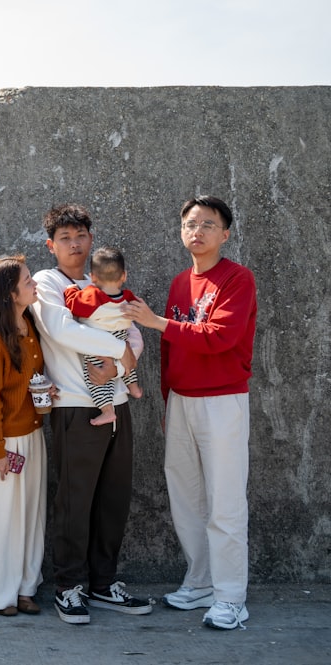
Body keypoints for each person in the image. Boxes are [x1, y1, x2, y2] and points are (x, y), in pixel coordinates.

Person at [122, 195, 257, 630]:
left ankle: (231, 597)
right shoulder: (181, 282)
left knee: (226, 502)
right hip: (181, 401)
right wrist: (167, 403)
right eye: (190, 225)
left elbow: (219, 336)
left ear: (225, 233)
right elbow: (170, 349)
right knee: (186, 497)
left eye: (208, 225)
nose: (197, 232)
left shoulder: (238, 279)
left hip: (223, 401)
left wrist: (157, 321)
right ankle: (200, 582)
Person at [31, 204, 151, 624]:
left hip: (116, 401)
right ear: (51, 245)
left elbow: (135, 331)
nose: (75, 244)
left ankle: (103, 584)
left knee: (113, 500)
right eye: (65, 238)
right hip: (76, 407)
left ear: (91, 239)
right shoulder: (47, 282)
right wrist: (119, 349)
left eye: (81, 235)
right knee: (75, 501)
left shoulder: (102, 279)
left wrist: (120, 366)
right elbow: (61, 330)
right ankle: (69, 587)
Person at [0, 255, 52, 616]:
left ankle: (24, 589)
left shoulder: (29, 328)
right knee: (0, 520)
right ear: (10, 294)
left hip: (32, 435)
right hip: (0, 441)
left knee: (31, 517)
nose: (34, 284)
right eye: (28, 279)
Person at [63, 247, 143, 427]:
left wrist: (71, 290)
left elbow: (75, 306)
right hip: (121, 336)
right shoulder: (127, 296)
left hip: (99, 341)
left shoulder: (92, 294)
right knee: (126, 360)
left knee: (95, 377)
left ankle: (107, 411)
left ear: (93, 277)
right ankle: (134, 388)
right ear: (124, 276)